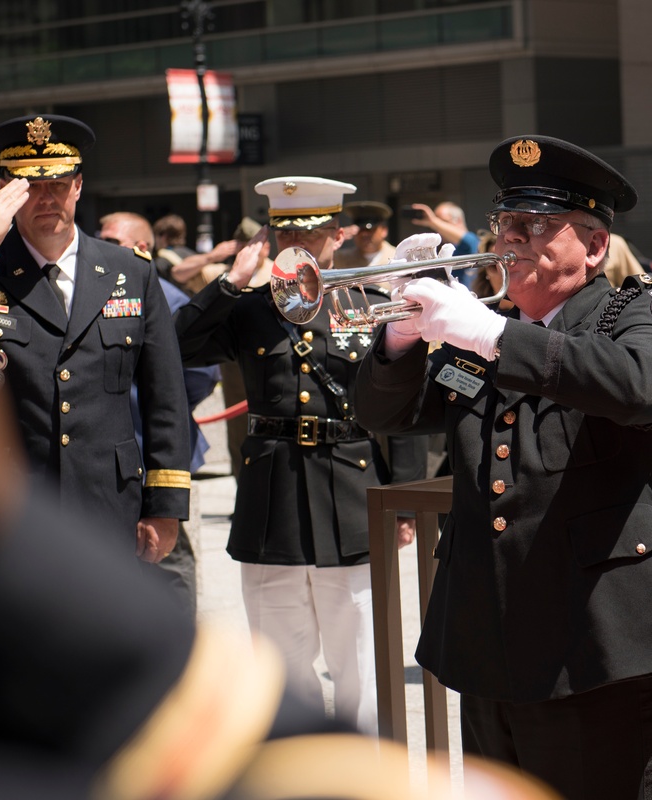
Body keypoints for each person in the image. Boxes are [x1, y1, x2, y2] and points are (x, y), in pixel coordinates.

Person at [355, 135, 652, 800]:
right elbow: (384, 413)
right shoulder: (485, 329)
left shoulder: (633, 312)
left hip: (597, 642)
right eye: (505, 222)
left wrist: (491, 335)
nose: (511, 239)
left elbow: (643, 387)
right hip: (491, 634)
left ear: (595, 245)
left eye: (537, 224)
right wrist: (401, 328)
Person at [174, 176, 428, 736]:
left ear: (336, 236)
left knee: (359, 658)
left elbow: (402, 402)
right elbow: (177, 345)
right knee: (279, 663)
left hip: (351, 487)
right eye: (286, 231)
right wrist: (229, 283)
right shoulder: (248, 309)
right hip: (274, 496)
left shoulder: (369, 301)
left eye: (311, 233)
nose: (299, 243)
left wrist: (405, 500)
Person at [0, 113, 191, 564]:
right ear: (4, 191)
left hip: (111, 503)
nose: (46, 198)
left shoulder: (132, 270)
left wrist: (165, 507)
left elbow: (164, 397)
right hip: (11, 506)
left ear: (78, 185)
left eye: (58, 182)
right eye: (30, 186)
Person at [98, 211, 220, 614]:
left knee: (167, 559)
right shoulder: (94, 289)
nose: (103, 246)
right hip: (108, 454)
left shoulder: (168, 298)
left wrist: (157, 402)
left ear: (143, 247)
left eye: (113, 241)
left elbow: (201, 373)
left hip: (154, 449)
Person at [218, 215, 274, 477]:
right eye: (243, 245)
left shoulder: (280, 272)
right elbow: (179, 272)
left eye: (254, 244)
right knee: (238, 429)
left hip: (272, 358)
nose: (248, 250)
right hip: (235, 363)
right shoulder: (226, 274)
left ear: (267, 247)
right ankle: (242, 486)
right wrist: (212, 256)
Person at [334, 201, 396, 269]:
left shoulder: (397, 257)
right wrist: (334, 240)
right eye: (360, 229)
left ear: (384, 231)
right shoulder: (340, 259)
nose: (364, 234)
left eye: (370, 229)